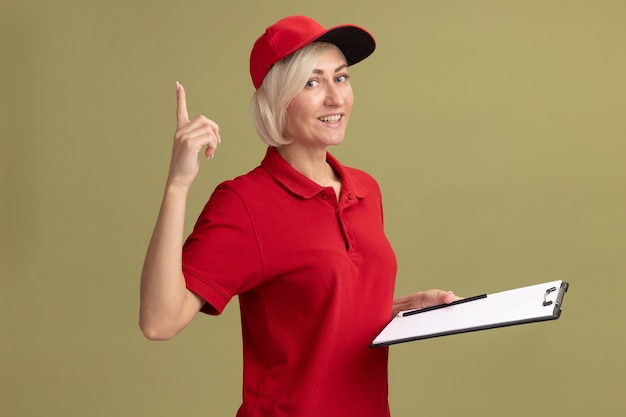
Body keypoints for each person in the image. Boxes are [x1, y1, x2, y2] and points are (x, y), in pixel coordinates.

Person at [140, 15, 459, 417]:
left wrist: (403, 310)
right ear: (277, 101)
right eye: (312, 83)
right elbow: (158, 321)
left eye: (340, 78)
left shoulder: (366, 190)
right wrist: (177, 185)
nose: (335, 98)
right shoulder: (245, 203)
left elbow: (319, 313)